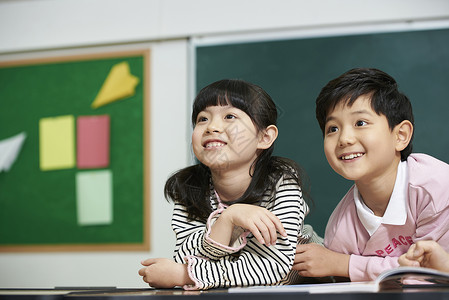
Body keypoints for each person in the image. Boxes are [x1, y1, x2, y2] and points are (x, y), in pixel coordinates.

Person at [138, 79, 322, 290]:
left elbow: (273, 268)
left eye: (230, 116)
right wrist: (227, 220)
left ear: (264, 137)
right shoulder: (188, 187)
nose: (212, 127)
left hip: (314, 284)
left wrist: (185, 274)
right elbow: (185, 254)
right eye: (202, 119)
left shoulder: (281, 181)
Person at [293, 68, 449, 282]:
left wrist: (344, 264)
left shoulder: (437, 187)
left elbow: (431, 274)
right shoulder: (340, 230)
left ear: (400, 135)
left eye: (360, 123)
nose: (344, 139)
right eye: (332, 128)